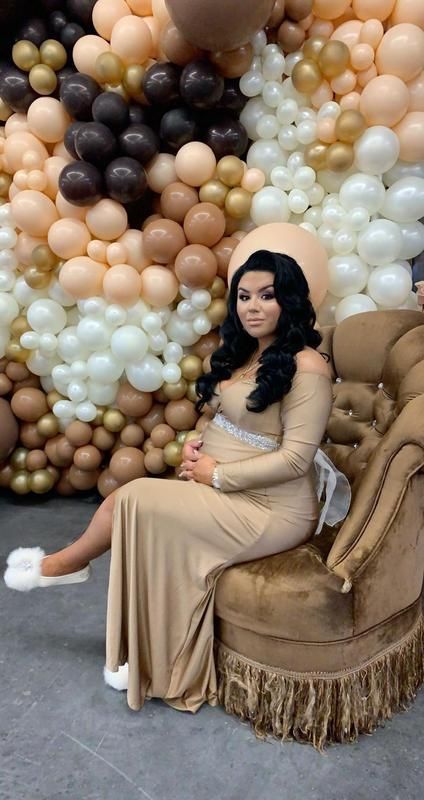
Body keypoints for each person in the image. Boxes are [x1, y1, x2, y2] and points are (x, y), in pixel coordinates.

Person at [4, 249, 350, 713]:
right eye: (244, 296)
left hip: (273, 509)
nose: (252, 306)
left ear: (289, 300)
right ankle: (109, 608)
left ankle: (67, 566)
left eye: (267, 296)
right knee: (134, 502)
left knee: (135, 497)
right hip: (226, 489)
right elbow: (225, 417)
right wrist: (197, 442)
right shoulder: (250, 353)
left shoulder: (308, 366)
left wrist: (218, 473)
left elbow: (295, 459)